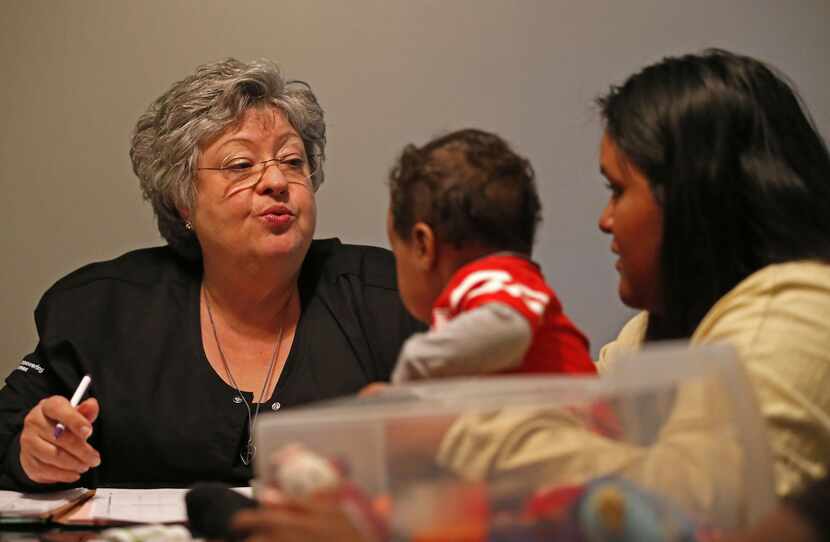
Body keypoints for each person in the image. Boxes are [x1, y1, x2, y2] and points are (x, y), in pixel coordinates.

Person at [432, 49, 830, 526]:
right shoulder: (655, 331)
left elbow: (692, 510)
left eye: (618, 190)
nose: (606, 220)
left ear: (692, 197)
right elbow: (580, 411)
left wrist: (452, 433)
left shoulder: (793, 317)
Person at [0, 58, 422, 491]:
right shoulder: (101, 310)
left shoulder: (390, 295)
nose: (277, 180)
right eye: (241, 165)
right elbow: (9, 436)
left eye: (293, 161)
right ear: (183, 201)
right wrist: (34, 454)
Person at [384, 128, 595, 383]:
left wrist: (414, 365)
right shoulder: (505, 284)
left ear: (422, 246)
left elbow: (508, 327)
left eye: (397, 250)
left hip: (567, 420)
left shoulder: (492, 279)